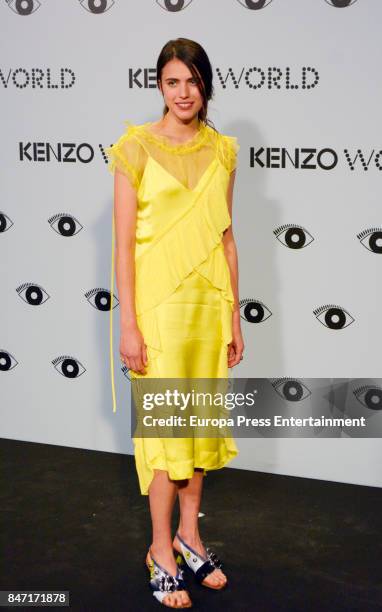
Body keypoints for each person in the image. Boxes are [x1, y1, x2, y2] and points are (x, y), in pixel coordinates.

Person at [105, 38, 244, 609]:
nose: (182, 92)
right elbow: (121, 251)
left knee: (199, 433)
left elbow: (226, 239)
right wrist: (129, 326)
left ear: (206, 84)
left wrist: (234, 314)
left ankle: (190, 535)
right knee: (166, 439)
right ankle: (161, 549)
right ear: (159, 86)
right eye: (171, 82)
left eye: (192, 81)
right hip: (159, 316)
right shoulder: (134, 149)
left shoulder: (224, 151)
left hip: (208, 309)